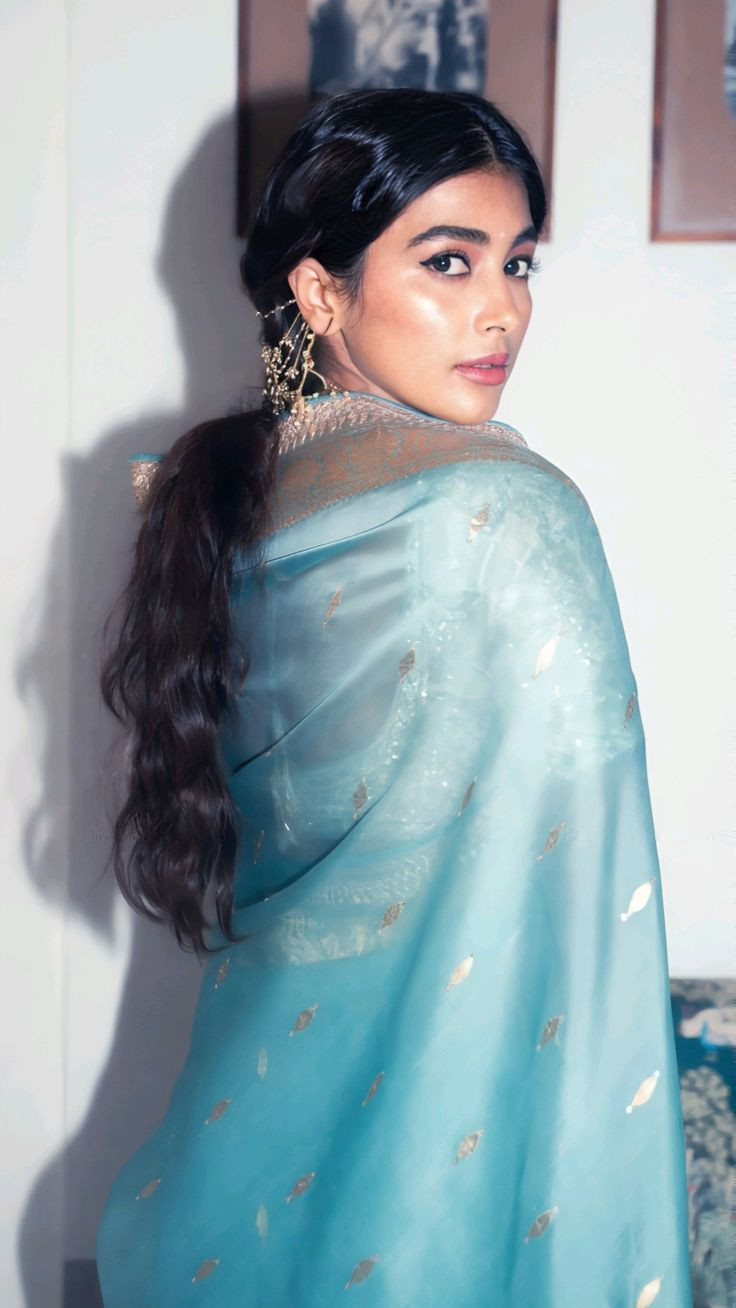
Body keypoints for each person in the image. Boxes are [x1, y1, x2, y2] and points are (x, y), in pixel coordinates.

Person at [95, 88, 693, 1306]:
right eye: (448, 261)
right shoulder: (504, 512)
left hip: (224, 1195)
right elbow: (582, 928)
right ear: (320, 294)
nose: (502, 308)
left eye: (517, 261)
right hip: (422, 1214)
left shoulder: (228, 500)